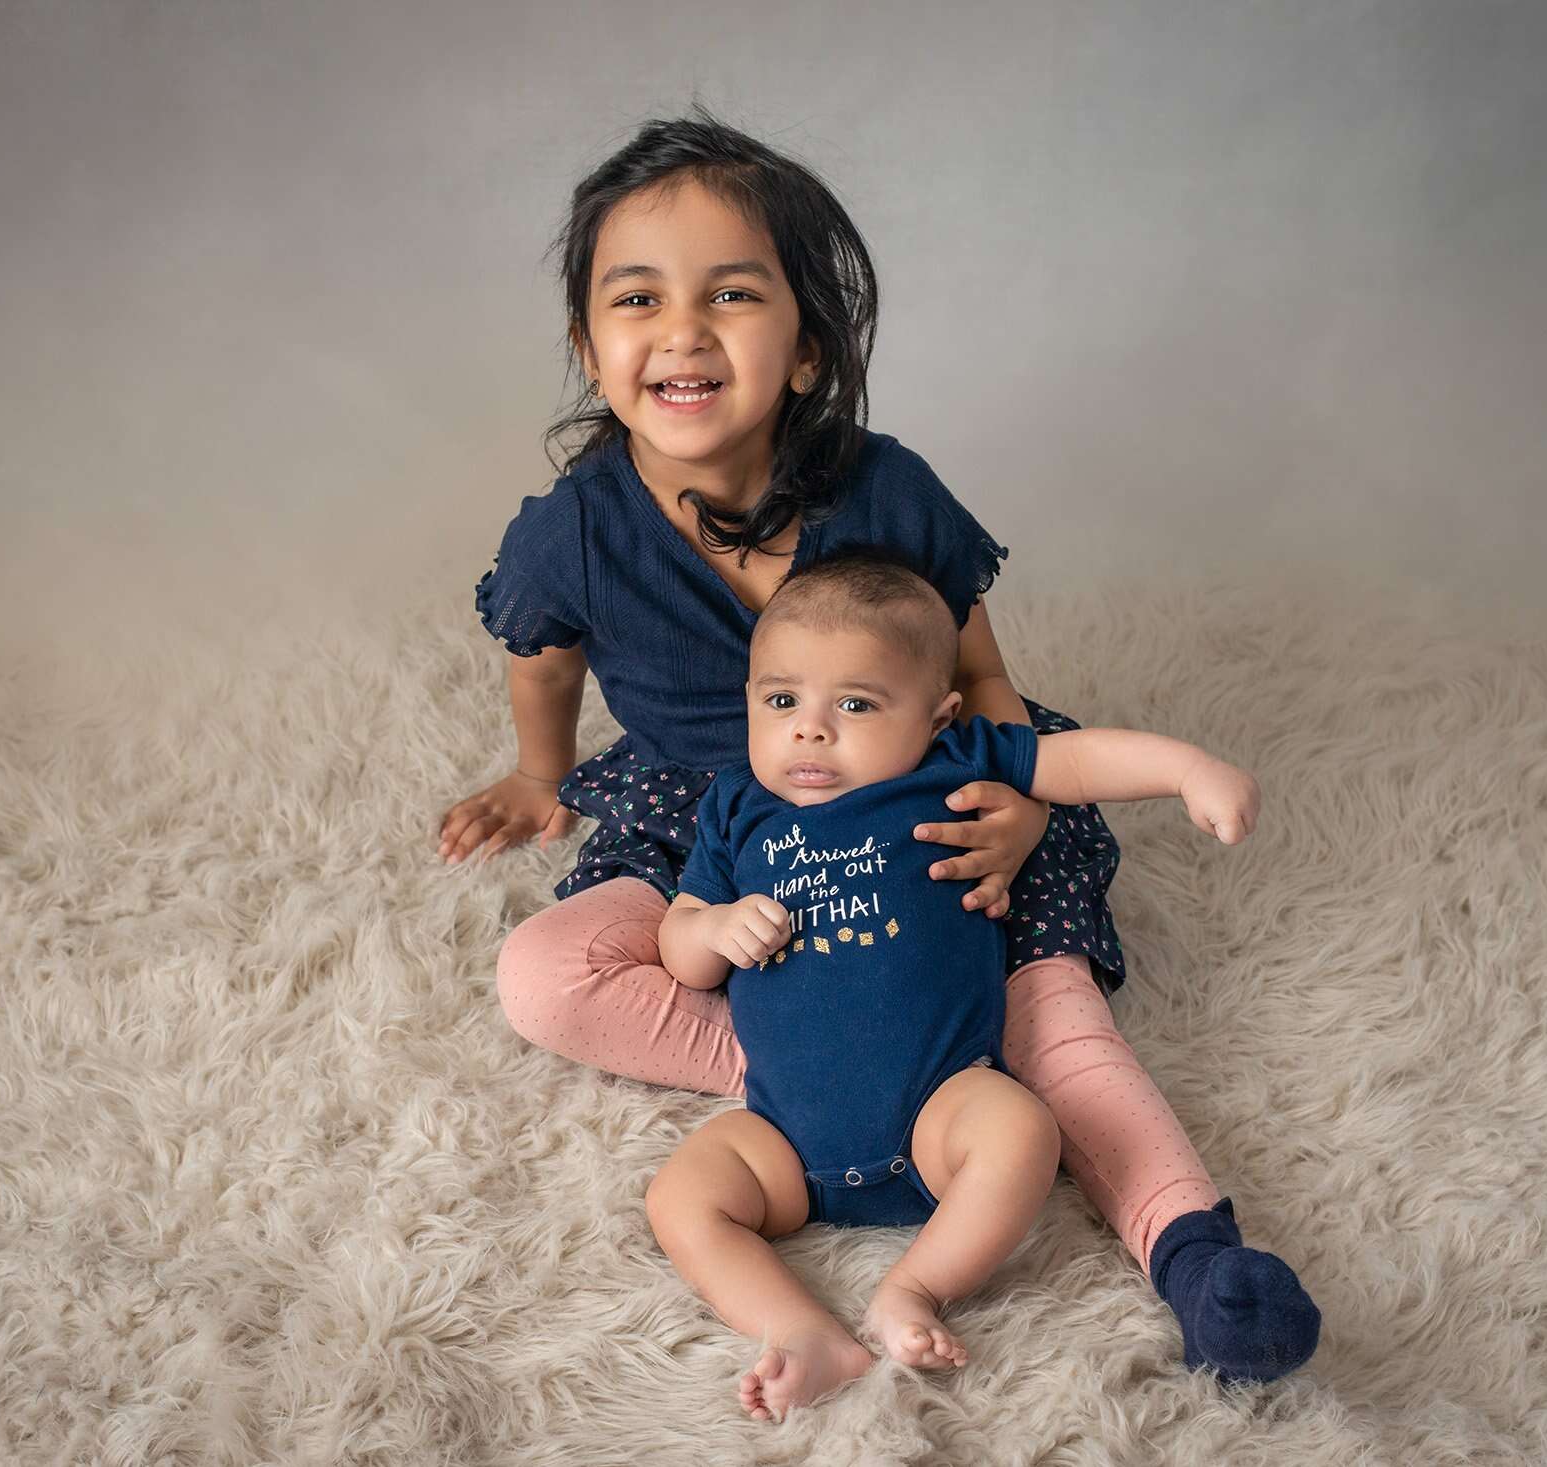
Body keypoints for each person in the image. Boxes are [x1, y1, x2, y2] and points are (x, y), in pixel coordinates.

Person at [439, 105, 1320, 1401]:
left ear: (805, 347)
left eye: (731, 294)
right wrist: (537, 772)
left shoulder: (883, 488)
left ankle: (1194, 1252)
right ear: (589, 342)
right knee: (543, 971)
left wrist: (1010, 808)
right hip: (710, 810)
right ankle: (832, 1059)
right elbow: (545, 658)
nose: (680, 331)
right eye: (638, 299)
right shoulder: (570, 532)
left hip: (929, 801)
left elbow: (976, 674)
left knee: (1064, 1040)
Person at [650, 551, 1281, 1422]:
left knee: (1024, 1127)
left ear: (936, 715)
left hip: (939, 1115)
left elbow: (1081, 761)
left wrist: (1188, 770)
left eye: (857, 704)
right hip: (783, 1141)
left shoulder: (953, 764)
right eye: (782, 699)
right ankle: (801, 1331)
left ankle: (914, 1287)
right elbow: (679, 944)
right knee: (680, 1195)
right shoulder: (736, 808)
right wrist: (714, 928)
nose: (810, 730)